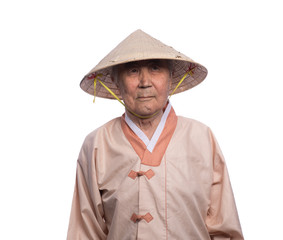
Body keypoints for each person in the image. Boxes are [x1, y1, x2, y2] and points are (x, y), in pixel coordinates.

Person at [67, 29, 244, 239]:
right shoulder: (97, 144)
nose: (145, 82)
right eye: (132, 70)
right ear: (116, 82)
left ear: (170, 78)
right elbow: (85, 232)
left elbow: (225, 229)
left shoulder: (201, 138)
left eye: (155, 68)